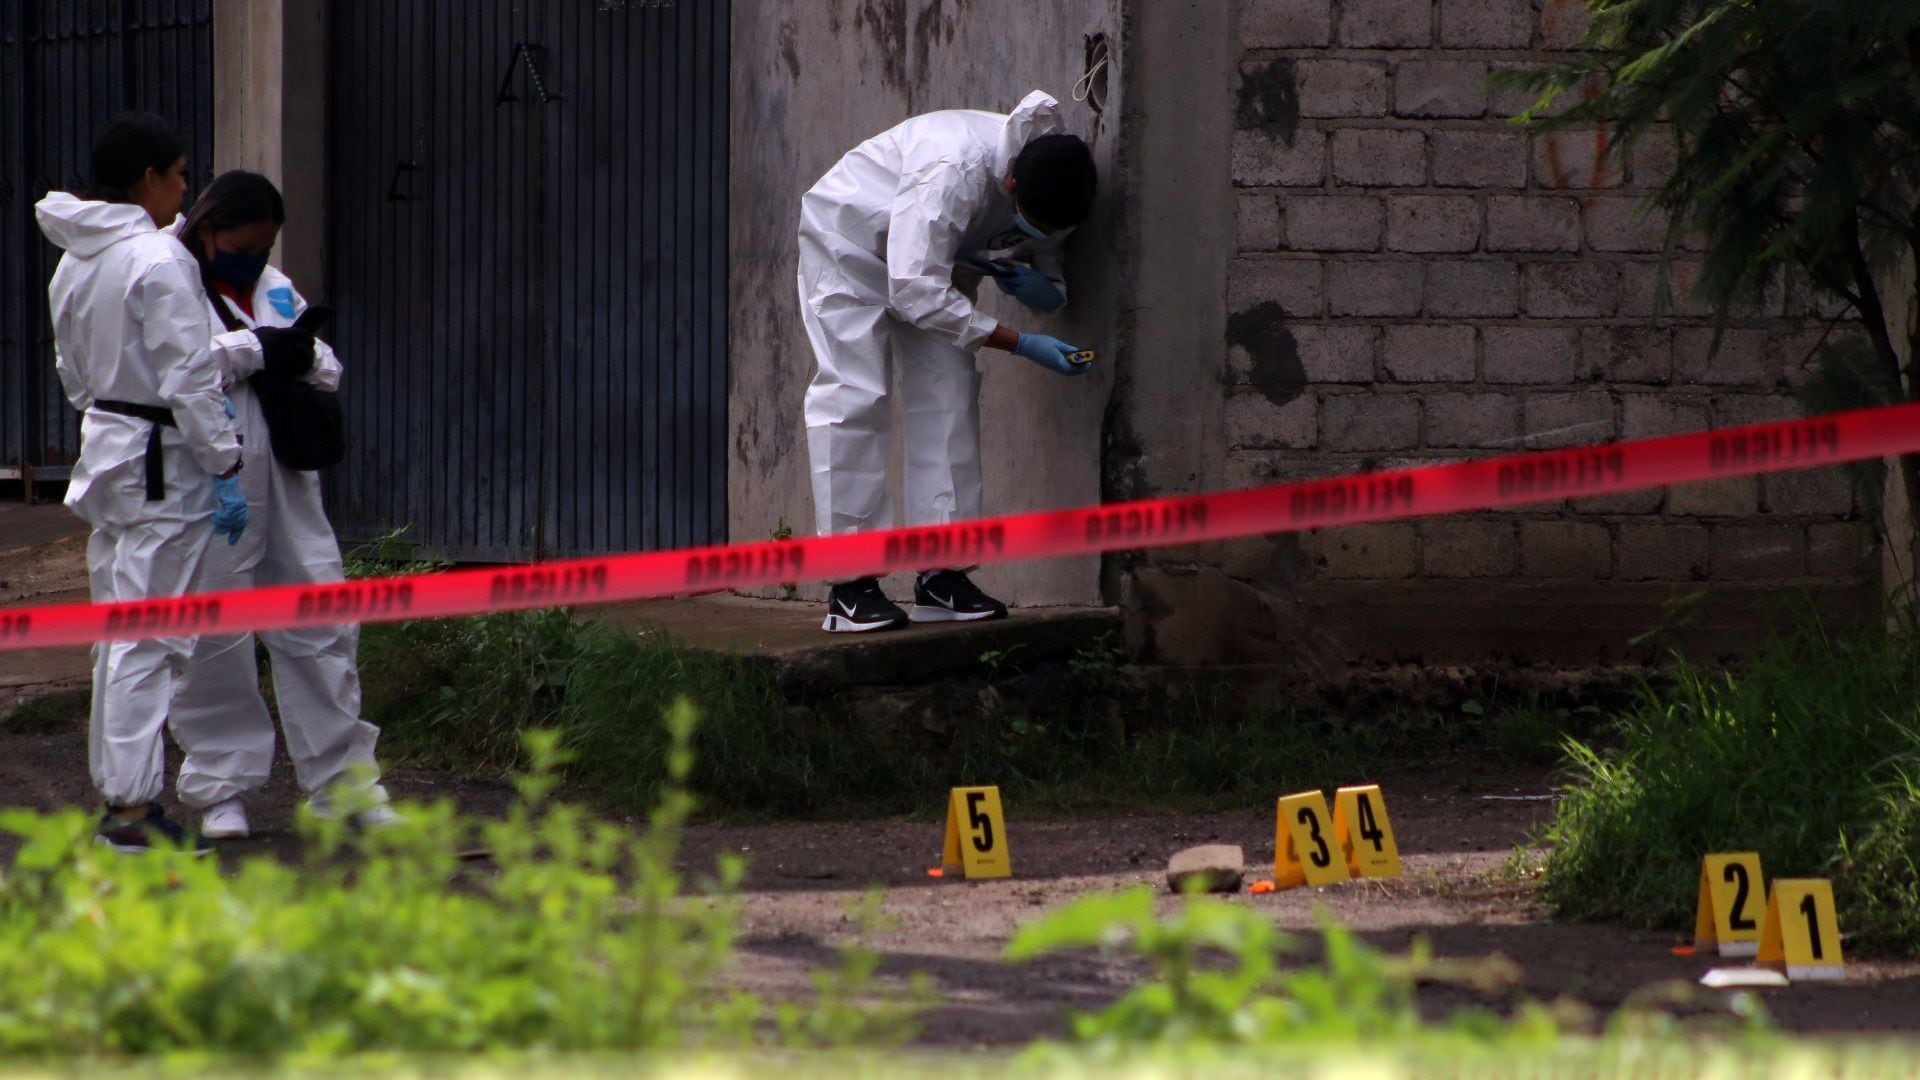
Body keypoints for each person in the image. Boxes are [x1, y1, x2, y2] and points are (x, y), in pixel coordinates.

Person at [35, 114, 303, 852]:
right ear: (148, 179)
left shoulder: (76, 261)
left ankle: (122, 803)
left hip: (113, 454)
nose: (186, 189)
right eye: (180, 174)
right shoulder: (158, 258)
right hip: (163, 462)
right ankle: (129, 813)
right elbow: (189, 375)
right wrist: (223, 464)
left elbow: (72, 375)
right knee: (151, 642)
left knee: (121, 636)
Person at [799, 90, 1099, 633]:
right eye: (1029, 222)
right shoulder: (954, 165)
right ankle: (850, 586)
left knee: (950, 395)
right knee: (855, 395)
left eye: (1048, 228)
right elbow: (913, 288)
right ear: (1009, 186)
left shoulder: (1057, 190)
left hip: (935, 263)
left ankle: (942, 578)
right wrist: (1020, 341)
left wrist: (1045, 291)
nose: (1038, 233)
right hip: (850, 243)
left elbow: (1050, 266)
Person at [166, 171, 393, 839]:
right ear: (208, 229)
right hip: (209, 479)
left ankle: (345, 789)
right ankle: (220, 789)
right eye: (245, 243)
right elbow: (166, 372)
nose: (256, 256)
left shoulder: (271, 286)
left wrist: (287, 351)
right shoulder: (166, 279)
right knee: (214, 635)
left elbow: (327, 366)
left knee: (324, 623)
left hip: (287, 482)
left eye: (266, 245)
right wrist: (250, 349)